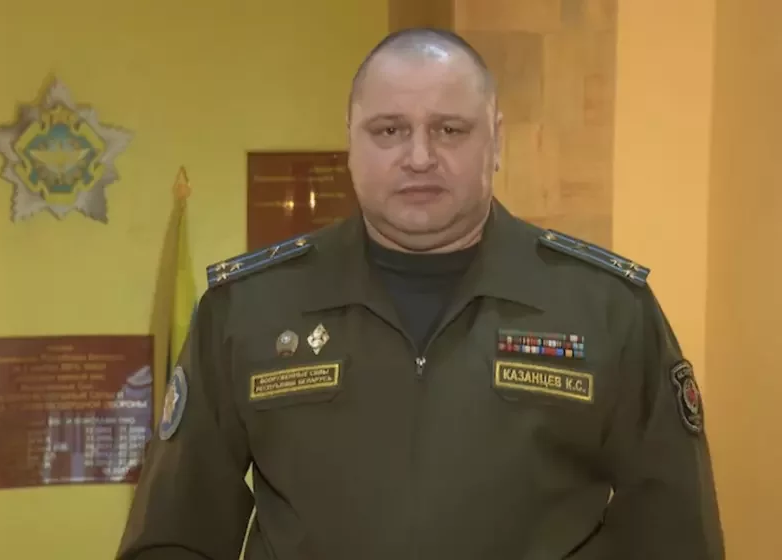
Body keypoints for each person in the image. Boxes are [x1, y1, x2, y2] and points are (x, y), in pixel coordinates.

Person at [116, 28, 725, 559]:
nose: (419, 157)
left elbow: (673, 537)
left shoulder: (608, 309)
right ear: (351, 141)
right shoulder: (247, 309)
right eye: (389, 130)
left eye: (449, 130)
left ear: (496, 141)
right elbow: (175, 536)